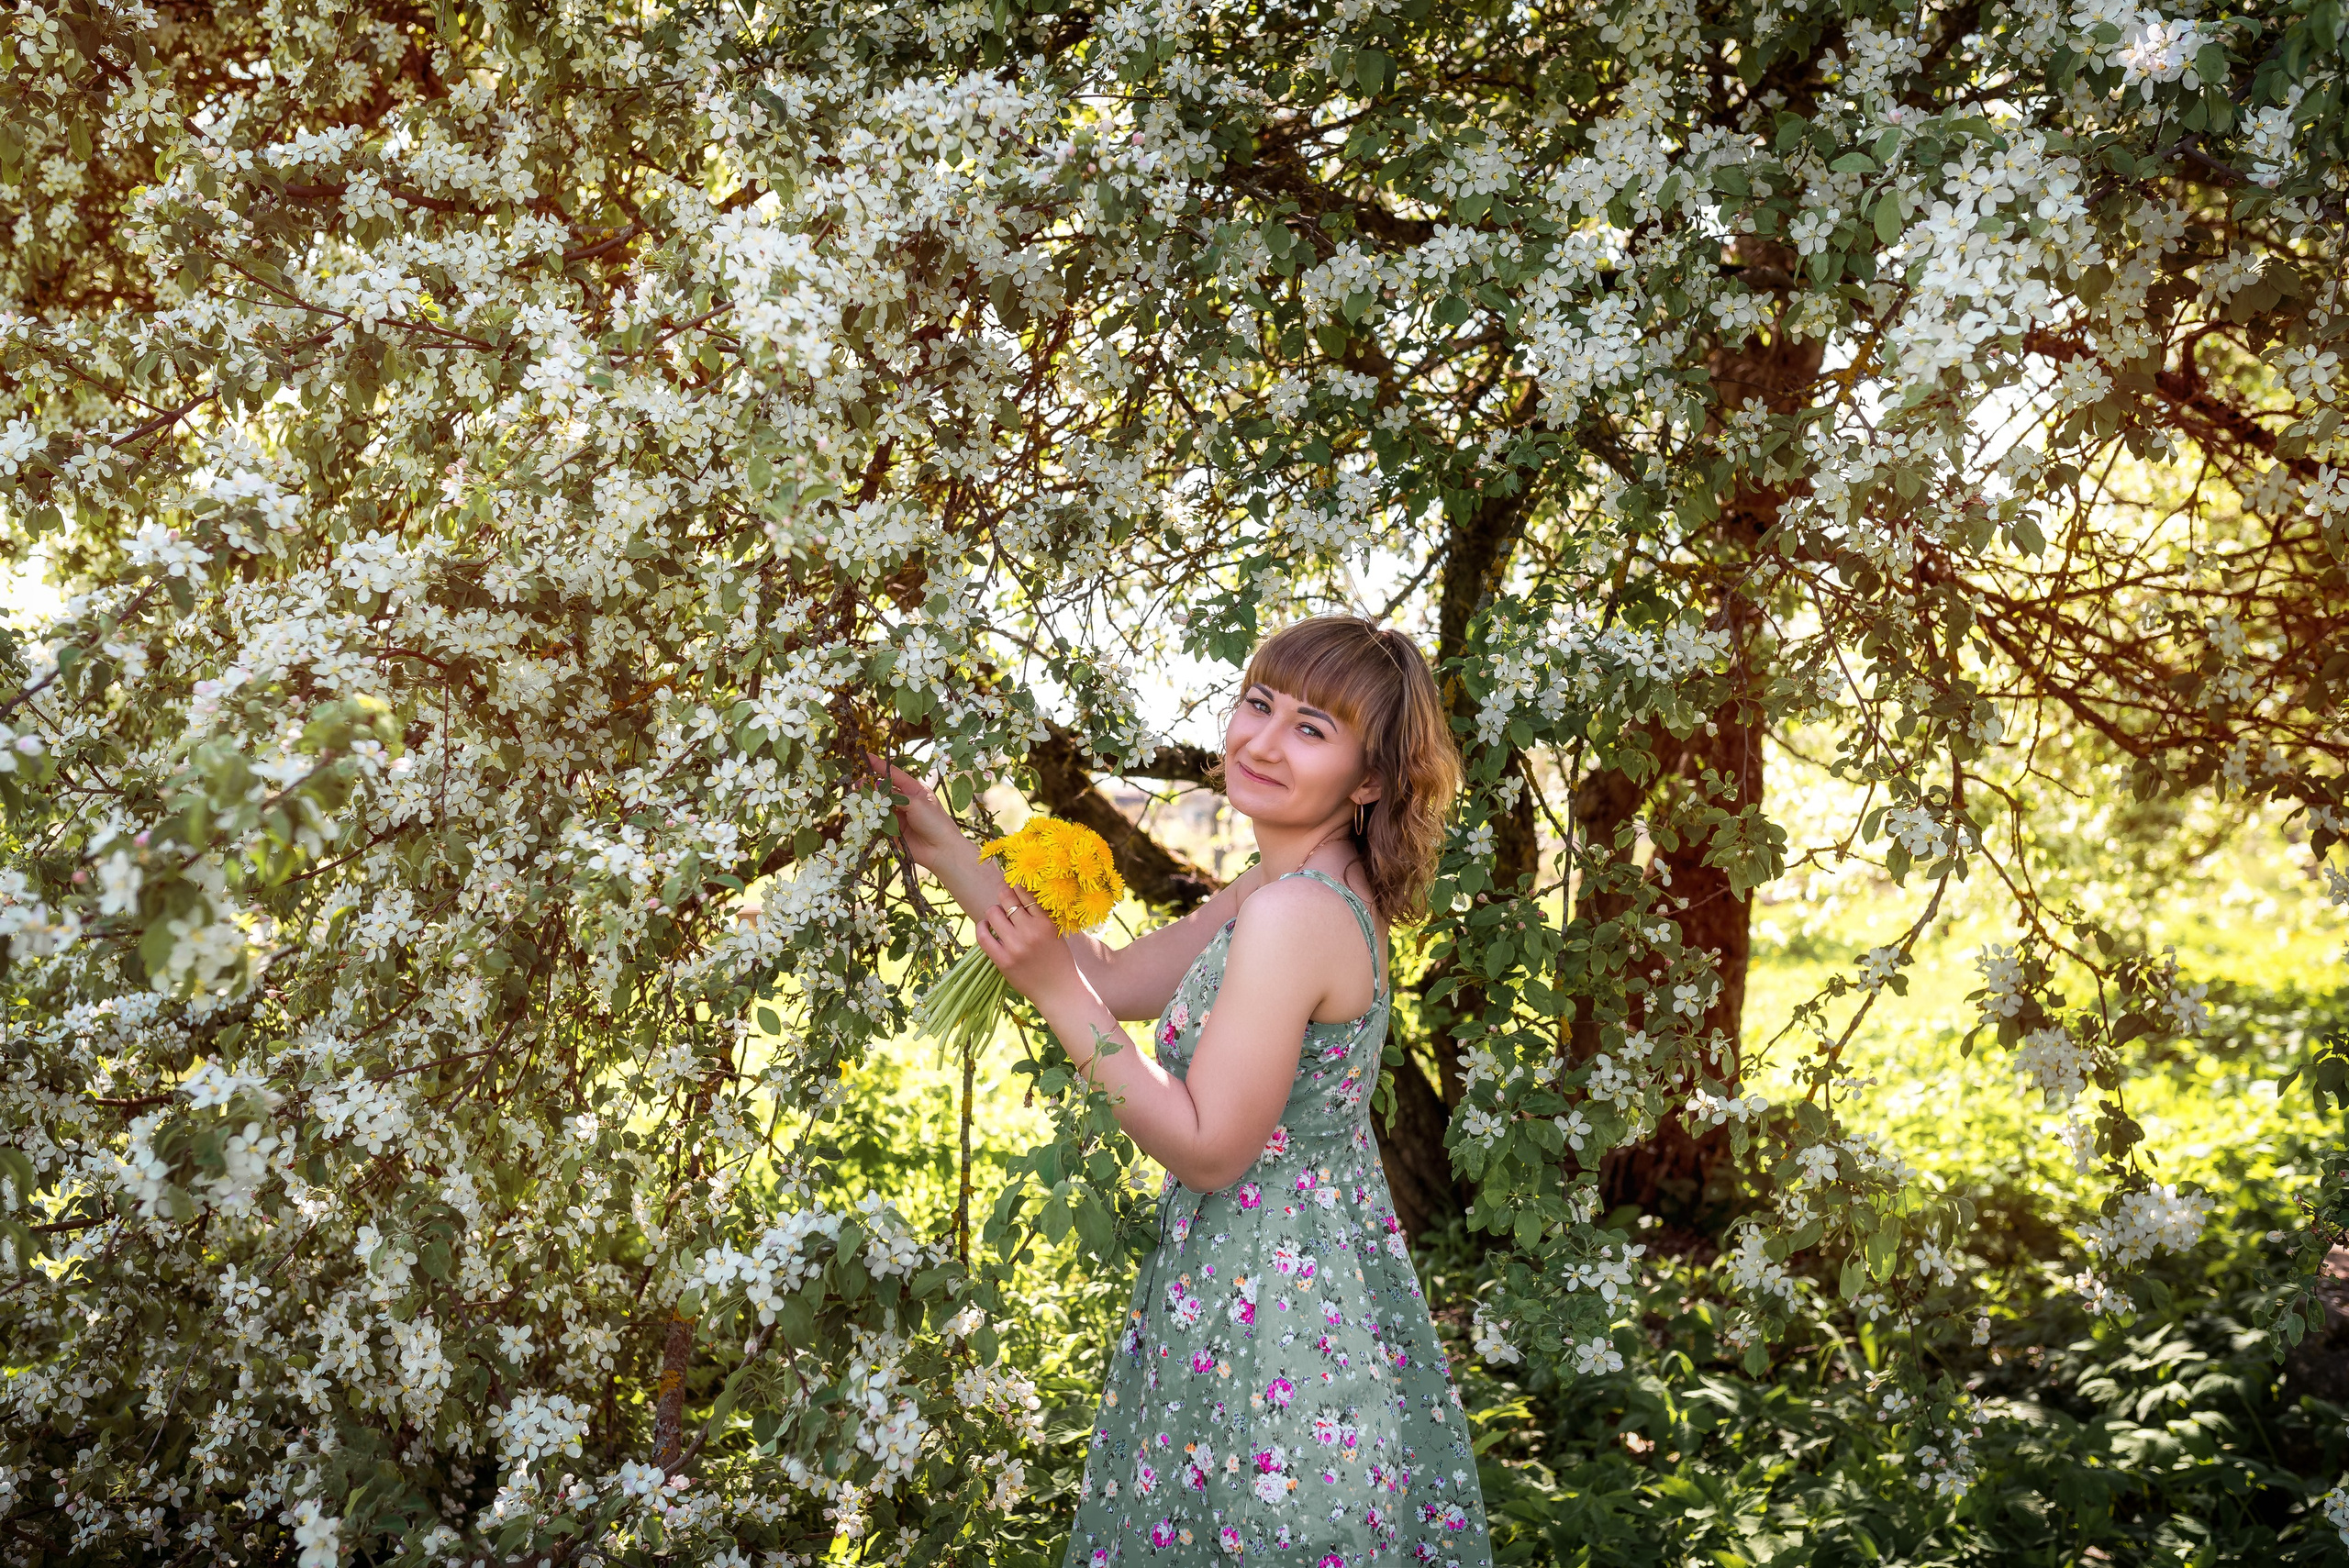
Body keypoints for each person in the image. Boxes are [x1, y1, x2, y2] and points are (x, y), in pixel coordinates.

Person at [881, 615, 1492, 1568]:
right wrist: (957, 856)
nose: (1260, 738)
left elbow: (1208, 1144)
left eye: (1311, 728)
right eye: (1259, 703)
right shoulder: (1282, 883)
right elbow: (1117, 977)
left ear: (1369, 779)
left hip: (1281, 1311)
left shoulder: (1296, 911)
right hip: (1256, 1279)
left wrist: (1048, 988)